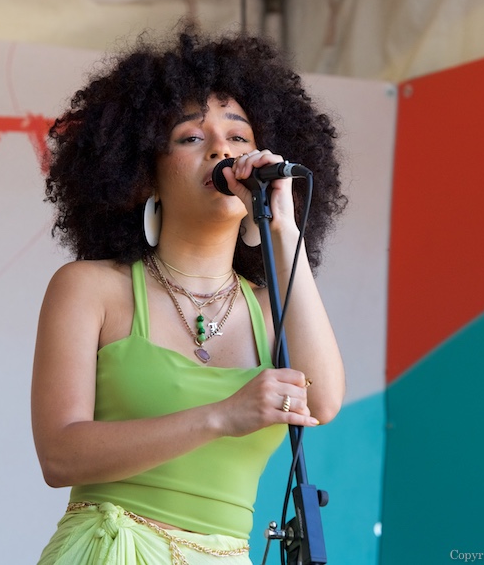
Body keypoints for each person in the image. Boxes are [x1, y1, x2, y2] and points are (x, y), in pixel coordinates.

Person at [32, 27, 347, 565]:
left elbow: (320, 402)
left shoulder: (274, 309)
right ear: (143, 174)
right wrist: (220, 416)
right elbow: (59, 455)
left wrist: (281, 226)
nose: (222, 148)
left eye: (239, 137)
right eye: (191, 137)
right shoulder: (90, 288)